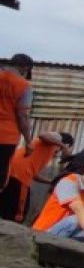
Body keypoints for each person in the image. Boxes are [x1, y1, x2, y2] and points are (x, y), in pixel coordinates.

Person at [1, 130, 73, 223]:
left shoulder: (45, 151)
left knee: (5, 209)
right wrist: (63, 146)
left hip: (11, 173)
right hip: (20, 176)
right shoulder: (55, 139)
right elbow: (43, 134)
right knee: (18, 215)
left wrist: (51, 181)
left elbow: (34, 175)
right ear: (67, 145)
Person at [0, 53, 34, 195]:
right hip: (6, 137)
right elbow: (23, 116)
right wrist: (28, 141)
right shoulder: (23, 85)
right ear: (25, 68)